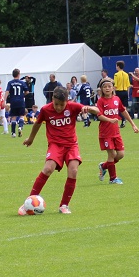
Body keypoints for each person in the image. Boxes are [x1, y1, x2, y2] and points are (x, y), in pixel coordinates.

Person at [20, 86, 101, 214]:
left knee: (73, 171)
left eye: (62, 105)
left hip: (71, 145)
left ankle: (64, 205)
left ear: (67, 101)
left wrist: (89, 108)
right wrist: (31, 139)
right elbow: (37, 123)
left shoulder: (73, 106)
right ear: (52, 99)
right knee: (47, 169)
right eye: (56, 104)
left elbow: (97, 110)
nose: (58, 107)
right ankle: (28, 203)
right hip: (55, 145)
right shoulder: (46, 110)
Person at [96, 80, 139, 185]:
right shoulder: (100, 101)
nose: (107, 88)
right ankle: (113, 179)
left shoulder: (116, 99)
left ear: (113, 88)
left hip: (116, 132)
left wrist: (133, 124)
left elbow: (123, 111)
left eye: (109, 86)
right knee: (111, 154)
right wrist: (109, 120)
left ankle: (104, 166)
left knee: (120, 154)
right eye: (105, 87)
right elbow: (99, 115)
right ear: (101, 89)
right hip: (105, 133)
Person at [6, 69, 29, 137]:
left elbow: (7, 91)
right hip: (21, 101)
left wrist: (4, 100)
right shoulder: (22, 83)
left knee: (13, 117)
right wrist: (22, 95)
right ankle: (20, 127)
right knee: (21, 115)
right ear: (19, 74)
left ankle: (13, 133)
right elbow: (27, 91)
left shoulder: (10, 83)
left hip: (13, 101)